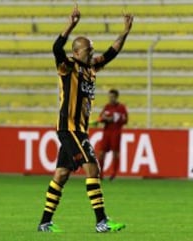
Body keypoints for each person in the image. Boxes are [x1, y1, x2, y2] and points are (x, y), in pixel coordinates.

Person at [37, 4, 133, 233]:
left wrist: (125, 32)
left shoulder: (91, 68)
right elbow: (56, 47)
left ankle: (44, 222)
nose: (92, 52)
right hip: (69, 128)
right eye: (89, 49)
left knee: (61, 174)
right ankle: (101, 221)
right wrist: (71, 24)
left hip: (78, 130)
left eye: (92, 49)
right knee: (93, 167)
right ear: (77, 51)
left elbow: (112, 52)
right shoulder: (67, 66)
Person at [97, 89, 128, 181]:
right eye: (109, 97)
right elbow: (100, 117)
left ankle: (114, 174)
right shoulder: (107, 106)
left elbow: (125, 120)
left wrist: (114, 118)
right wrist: (103, 119)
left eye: (112, 97)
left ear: (116, 97)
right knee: (101, 153)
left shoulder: (121, 107)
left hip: (116, 132)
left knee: (115, 153)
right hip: (106, 132)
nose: (110, 99)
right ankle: (101, 173)